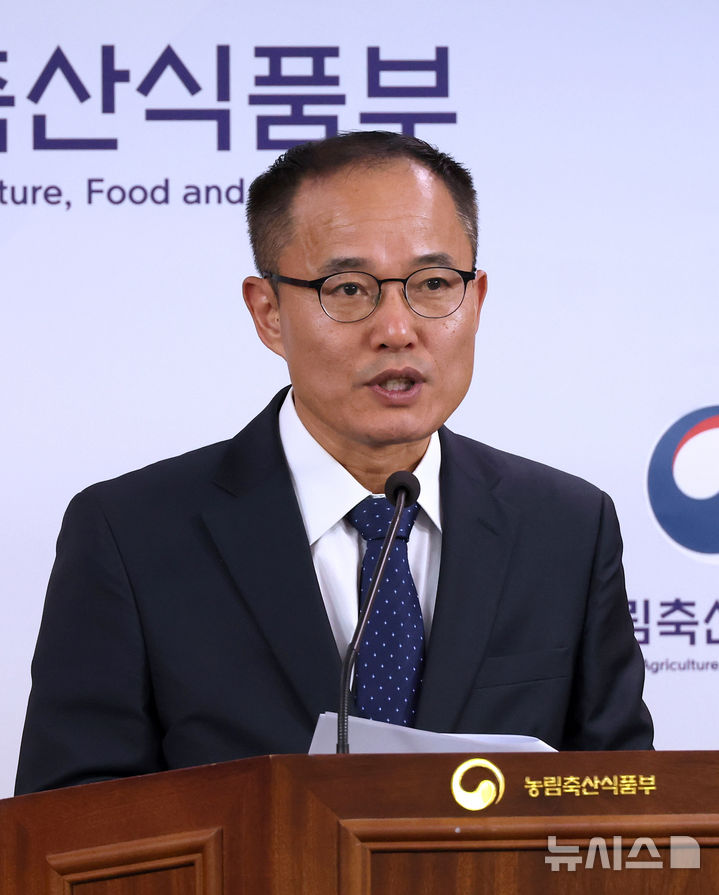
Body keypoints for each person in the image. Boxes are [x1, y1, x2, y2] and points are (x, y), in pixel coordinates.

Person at [15, 131, 653, 795]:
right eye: (348, 289)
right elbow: (71, 823)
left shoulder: (566, 528)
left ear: (477, 299)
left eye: (435, 284)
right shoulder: (131, 535)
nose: (397, 329)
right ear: (268, 312)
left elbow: (627, 801)